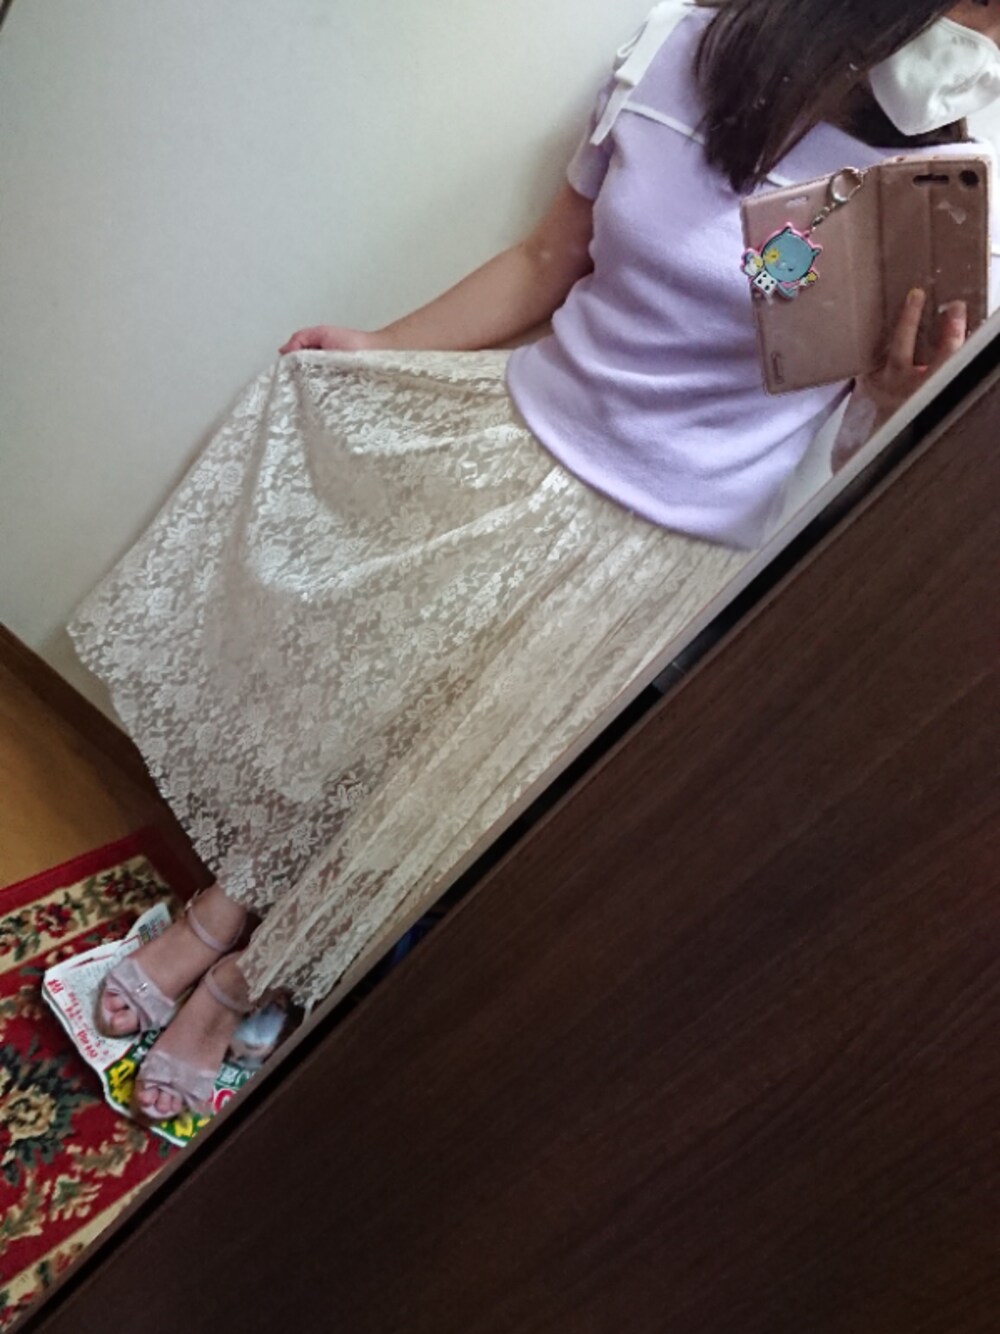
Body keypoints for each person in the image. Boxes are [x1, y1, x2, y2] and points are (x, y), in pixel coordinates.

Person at [68, 0, 1000, 1123]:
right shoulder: (683, 52)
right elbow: (547, 259)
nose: (983, 39)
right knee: (366, 714)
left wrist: (892, 399)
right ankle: (223, 907)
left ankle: (244, 979)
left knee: (439, 796)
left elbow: (859, 454)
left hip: (657, 559)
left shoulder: (941, 200)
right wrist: (384, 347)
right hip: (508, 456)